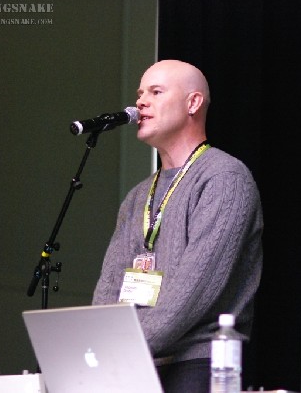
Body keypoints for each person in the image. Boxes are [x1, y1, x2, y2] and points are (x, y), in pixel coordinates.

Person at [92, 59, 263, 393]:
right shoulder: (138, 195)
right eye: (140, 93)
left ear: (193, 103)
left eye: (156, 91)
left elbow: (192, 293)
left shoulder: (224, 178)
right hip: (134, 360)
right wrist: (97, 348)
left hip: (199, 361)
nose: (140, 102)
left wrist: (112, 350)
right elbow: (109, 286)